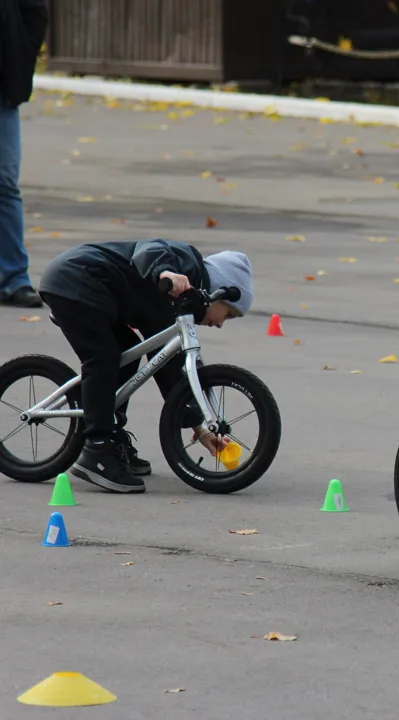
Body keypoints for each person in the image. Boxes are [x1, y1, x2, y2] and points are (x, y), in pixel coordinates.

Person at [38, 238, 254, 494]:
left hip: (98, 294)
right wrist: (165, 272)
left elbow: (168, 369)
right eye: (228, 314)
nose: (221, 323)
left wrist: (199, 426)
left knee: (127, 355)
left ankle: (112, 433)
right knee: (103, 356)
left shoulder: (177, 302)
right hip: (75, 282)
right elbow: (149, 250)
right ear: (219, 291)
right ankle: (97, 448)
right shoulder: (185, 264)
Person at [0, 0, 48, 308]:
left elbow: (35, 12)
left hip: (3, 86)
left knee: (4, 184)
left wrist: (22, 56)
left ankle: (14, 278)